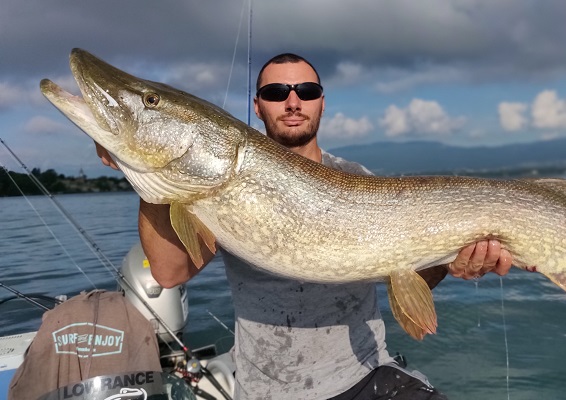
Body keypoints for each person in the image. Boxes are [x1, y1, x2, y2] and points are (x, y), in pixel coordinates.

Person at [95, 53, 512, 400]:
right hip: (268, 390)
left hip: (366, 374)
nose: (292, 101)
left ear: (321, 103)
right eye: (276, 93)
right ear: (257, 107)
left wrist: (457, 263)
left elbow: (409, 272)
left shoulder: (358, 178)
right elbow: (169, 271)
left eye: (306, 92)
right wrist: (146, 169)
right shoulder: (213, 187)